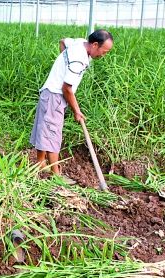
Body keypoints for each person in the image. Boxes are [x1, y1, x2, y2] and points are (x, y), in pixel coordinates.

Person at [30, 29, 113, 178]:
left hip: (49, 93)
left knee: (45, 130)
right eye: (104, 51)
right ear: (95, 45)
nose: (103, 55)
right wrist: (77, 111)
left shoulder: (80, 43)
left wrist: (62, 64)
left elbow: (63, 41)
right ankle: (56, 175)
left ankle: (40, 163)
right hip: (55, 96)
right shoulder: (78, 61)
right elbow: (67, 88)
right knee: (53, 134)